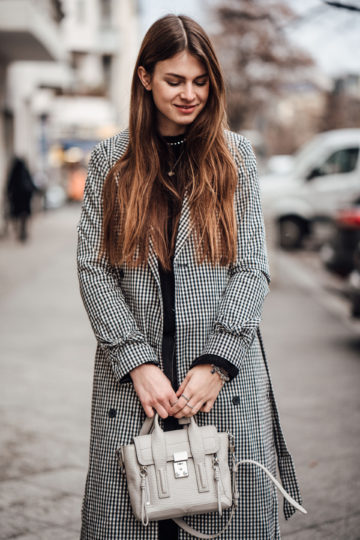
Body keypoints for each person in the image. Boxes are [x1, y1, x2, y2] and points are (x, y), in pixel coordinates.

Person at [77, 14, 303, 540]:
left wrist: (218, 363)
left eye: (201, 82)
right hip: (137, 388)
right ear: (145, 77)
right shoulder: (111, 163)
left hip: (221, 382)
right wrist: (136, 364)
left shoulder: (234, 158)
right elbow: (94, 269)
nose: (190, 94)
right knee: (132, 517)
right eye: (175, 80)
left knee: (229, 516)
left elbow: (252, 267)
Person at [6, 156, 37, 242]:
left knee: (17, 215)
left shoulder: (14, 172)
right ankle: (23, 231)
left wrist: (8, 195)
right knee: (24, 216)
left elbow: (9, 185)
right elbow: (31, 184)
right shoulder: (25, 172)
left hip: (16, 199)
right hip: (25, 199)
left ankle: (19, 231)